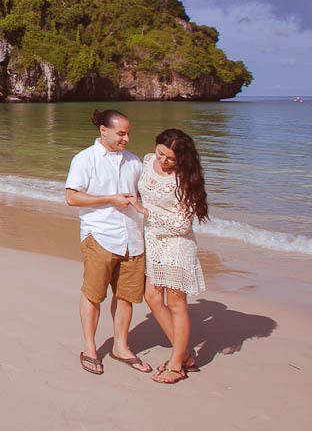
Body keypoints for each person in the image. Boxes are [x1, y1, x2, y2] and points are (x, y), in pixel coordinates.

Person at [65, 108, 151, 376]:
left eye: (128, 133)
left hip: (132, 238)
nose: (126, 139)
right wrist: (110, 199)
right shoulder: (85, 159)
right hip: (99, 235)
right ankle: (90, 348)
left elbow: (141, 196)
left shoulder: (134, 162)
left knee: (126, 296)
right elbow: (72, 197)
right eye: (121, 133)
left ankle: (121, 347)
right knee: (93, 294)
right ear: (104, 131)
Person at [136, 128, 209, 384]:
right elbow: (138, 190)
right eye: (161, 154)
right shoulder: (147, 161)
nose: (163, 161)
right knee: (152, 297)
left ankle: (177, 364)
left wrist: (144, 211)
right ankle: (185, 354)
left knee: (177, 304)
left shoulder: (184, 178)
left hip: (178, 245)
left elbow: (182, 225)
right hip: (153, 241)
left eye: (170, 159)